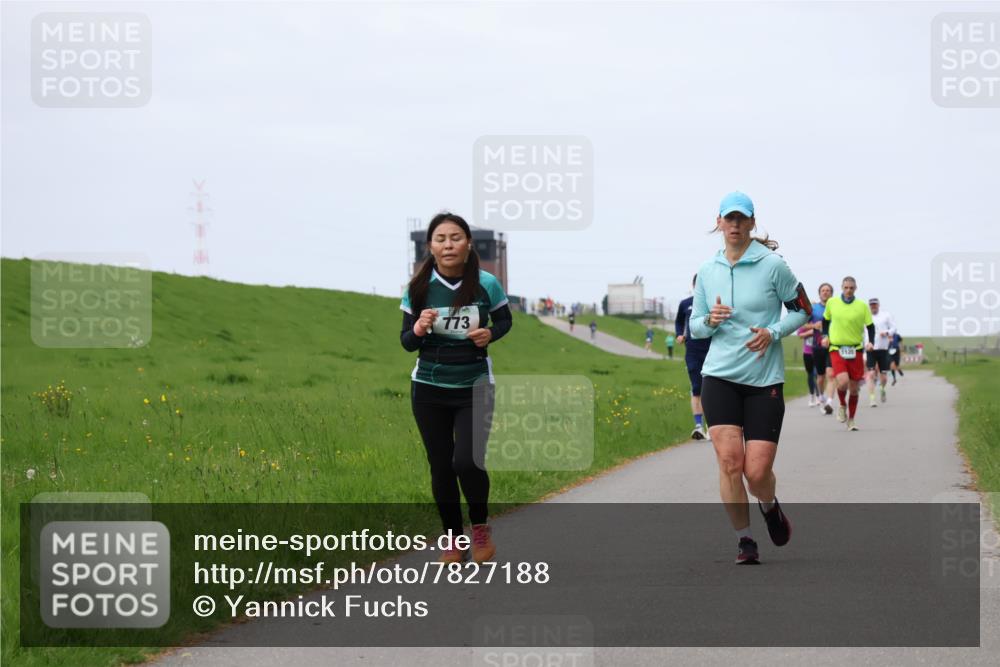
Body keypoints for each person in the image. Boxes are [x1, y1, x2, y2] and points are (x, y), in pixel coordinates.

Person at [689, 191, 810, 565]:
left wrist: (773, 332)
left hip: (763, 379)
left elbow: (802, 310)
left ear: (753, 223)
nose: (736, 225)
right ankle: (745, 541)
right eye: (730, 219)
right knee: (729, 462)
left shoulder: (773, 266)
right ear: (719, 223)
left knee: (756, 473)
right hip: (720, 376)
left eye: (743, 219)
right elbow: (695, 327)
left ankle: (769, 506)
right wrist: (710, 320)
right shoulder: (708, 270)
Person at [400, 212, 512, 564]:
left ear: (467, 244)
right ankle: (452, 539)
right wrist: (419, 328)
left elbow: (505, 319)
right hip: (429, 388)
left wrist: (490, 333)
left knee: (466, 460)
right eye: (440, 239)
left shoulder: (486, 283)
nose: (448, 245)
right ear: (430, 247)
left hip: (474, 385)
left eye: (455, 237)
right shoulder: (417, 288)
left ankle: (480, 530)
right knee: (441, 466)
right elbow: (406, 343)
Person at [820, 276, 875, 432]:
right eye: (846, 287)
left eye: (851, 288)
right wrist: (825, 336)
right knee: (842, 381)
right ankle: (842, 405)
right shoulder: (832, 303)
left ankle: (851, 419)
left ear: (855, 288)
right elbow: (825, 321)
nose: (848, 290)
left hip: (855, 349)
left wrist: (871, 342)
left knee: (854, 388)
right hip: (836, 348)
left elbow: (870, 326)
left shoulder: (862, 306)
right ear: (841, 288)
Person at [676, 274, 712, 440]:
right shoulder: (685, 304)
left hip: (712, 349)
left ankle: (711, 426)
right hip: (692, 350)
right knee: (696, 388)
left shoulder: (712, 303)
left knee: (711, 389)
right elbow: (678, 322)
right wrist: (679, 335)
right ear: (693, 285)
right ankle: (698, 426)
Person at [810, 283, 836, 414]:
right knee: (820, 377)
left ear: (832, 293)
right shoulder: (814, 308)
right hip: (817, 346)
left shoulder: (836, 307)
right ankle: (821, 396)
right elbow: (803, 324)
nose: (825, 292)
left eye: (828, 290)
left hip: (833, 345)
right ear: (819, 293)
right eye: (823, 290)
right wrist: (814, 326)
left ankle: (830, 402)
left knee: (831, 375)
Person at [865, 298, 896, 406]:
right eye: (871, 305)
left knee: (883, 376)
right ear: (869, 306)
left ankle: (882, 389)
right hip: (870, 348)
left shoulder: (885, 315)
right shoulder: (866, 316)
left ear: (878, 305)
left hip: (883, 348)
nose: (873, 306)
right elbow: (860, 331)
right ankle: (872, 398)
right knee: (871, 373)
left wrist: (886, 332)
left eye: (875, 304)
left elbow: (893, 328)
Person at [796, 323, 820, 406]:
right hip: (807, 353)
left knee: (816, 374)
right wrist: (810, 332)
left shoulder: (818, 324)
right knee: (810, 375)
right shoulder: (805, 325)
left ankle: (818, 396)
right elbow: (799, 335)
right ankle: (811, 396)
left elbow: (822, 333)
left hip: (817, 352)